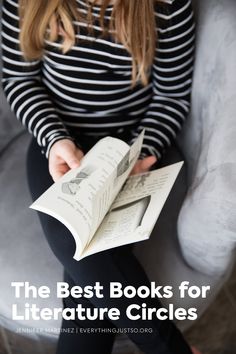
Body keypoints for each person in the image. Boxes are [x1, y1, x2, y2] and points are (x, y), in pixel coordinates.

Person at [1, 0, 202, 353]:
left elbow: (171, 96)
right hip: (61, 144)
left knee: (87, 295)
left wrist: (139, 158)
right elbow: (18, 79)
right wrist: (54, 138)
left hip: (132, 147)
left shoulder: (167, 6)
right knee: (75, 245)